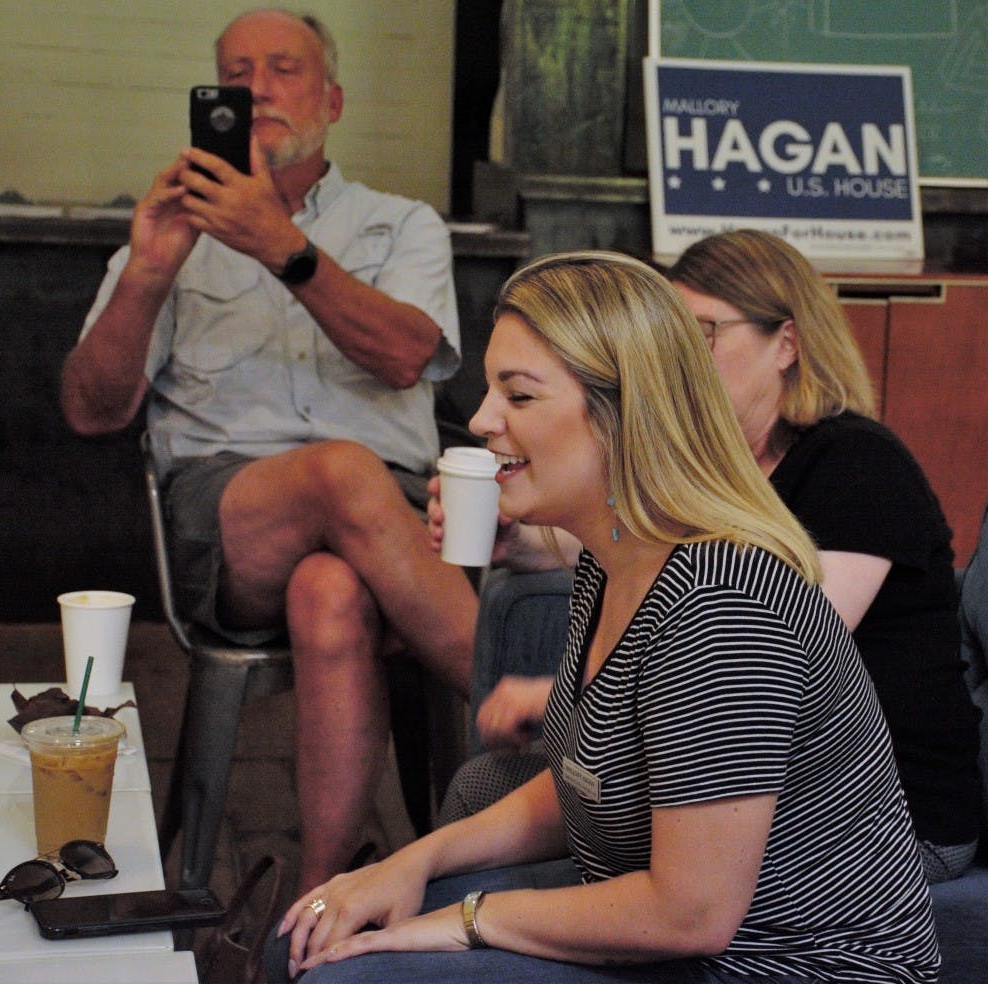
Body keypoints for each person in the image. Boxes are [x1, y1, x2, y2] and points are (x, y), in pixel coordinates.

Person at [265, 251, 940, 983]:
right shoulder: (612, 555)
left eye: (519, 396)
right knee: (312, 934)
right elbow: (587, 782)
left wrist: (467, 919)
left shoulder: (722, 605)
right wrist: (414, 860)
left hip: (780, 966)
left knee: (343, 975)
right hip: (676, 931)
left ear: (624, 417)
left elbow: (690, 914)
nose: (482, 419)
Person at [59, 8, 479, 891]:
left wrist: (283, 249)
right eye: (236, 72)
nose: (257, 88)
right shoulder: (173, 228)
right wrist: (148, 271)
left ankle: (321, 901)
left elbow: (407, 355)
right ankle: (564, 720)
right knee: (338, 471)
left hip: (399, 523)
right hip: (229, 524)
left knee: (330, 590)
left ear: (332, 99)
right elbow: (92, 413)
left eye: (284, 68)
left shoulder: (401, 223)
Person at [431, 229, 982, 884]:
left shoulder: (859, 465)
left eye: (703, 333)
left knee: (494, 799)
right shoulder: (710, 472)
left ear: (786, 343)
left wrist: (565, 697)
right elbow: (635, 545)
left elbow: (761, 660)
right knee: (482, 784)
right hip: (748, 767)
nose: (676, 354)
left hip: (884, 812)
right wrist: (520, 541)